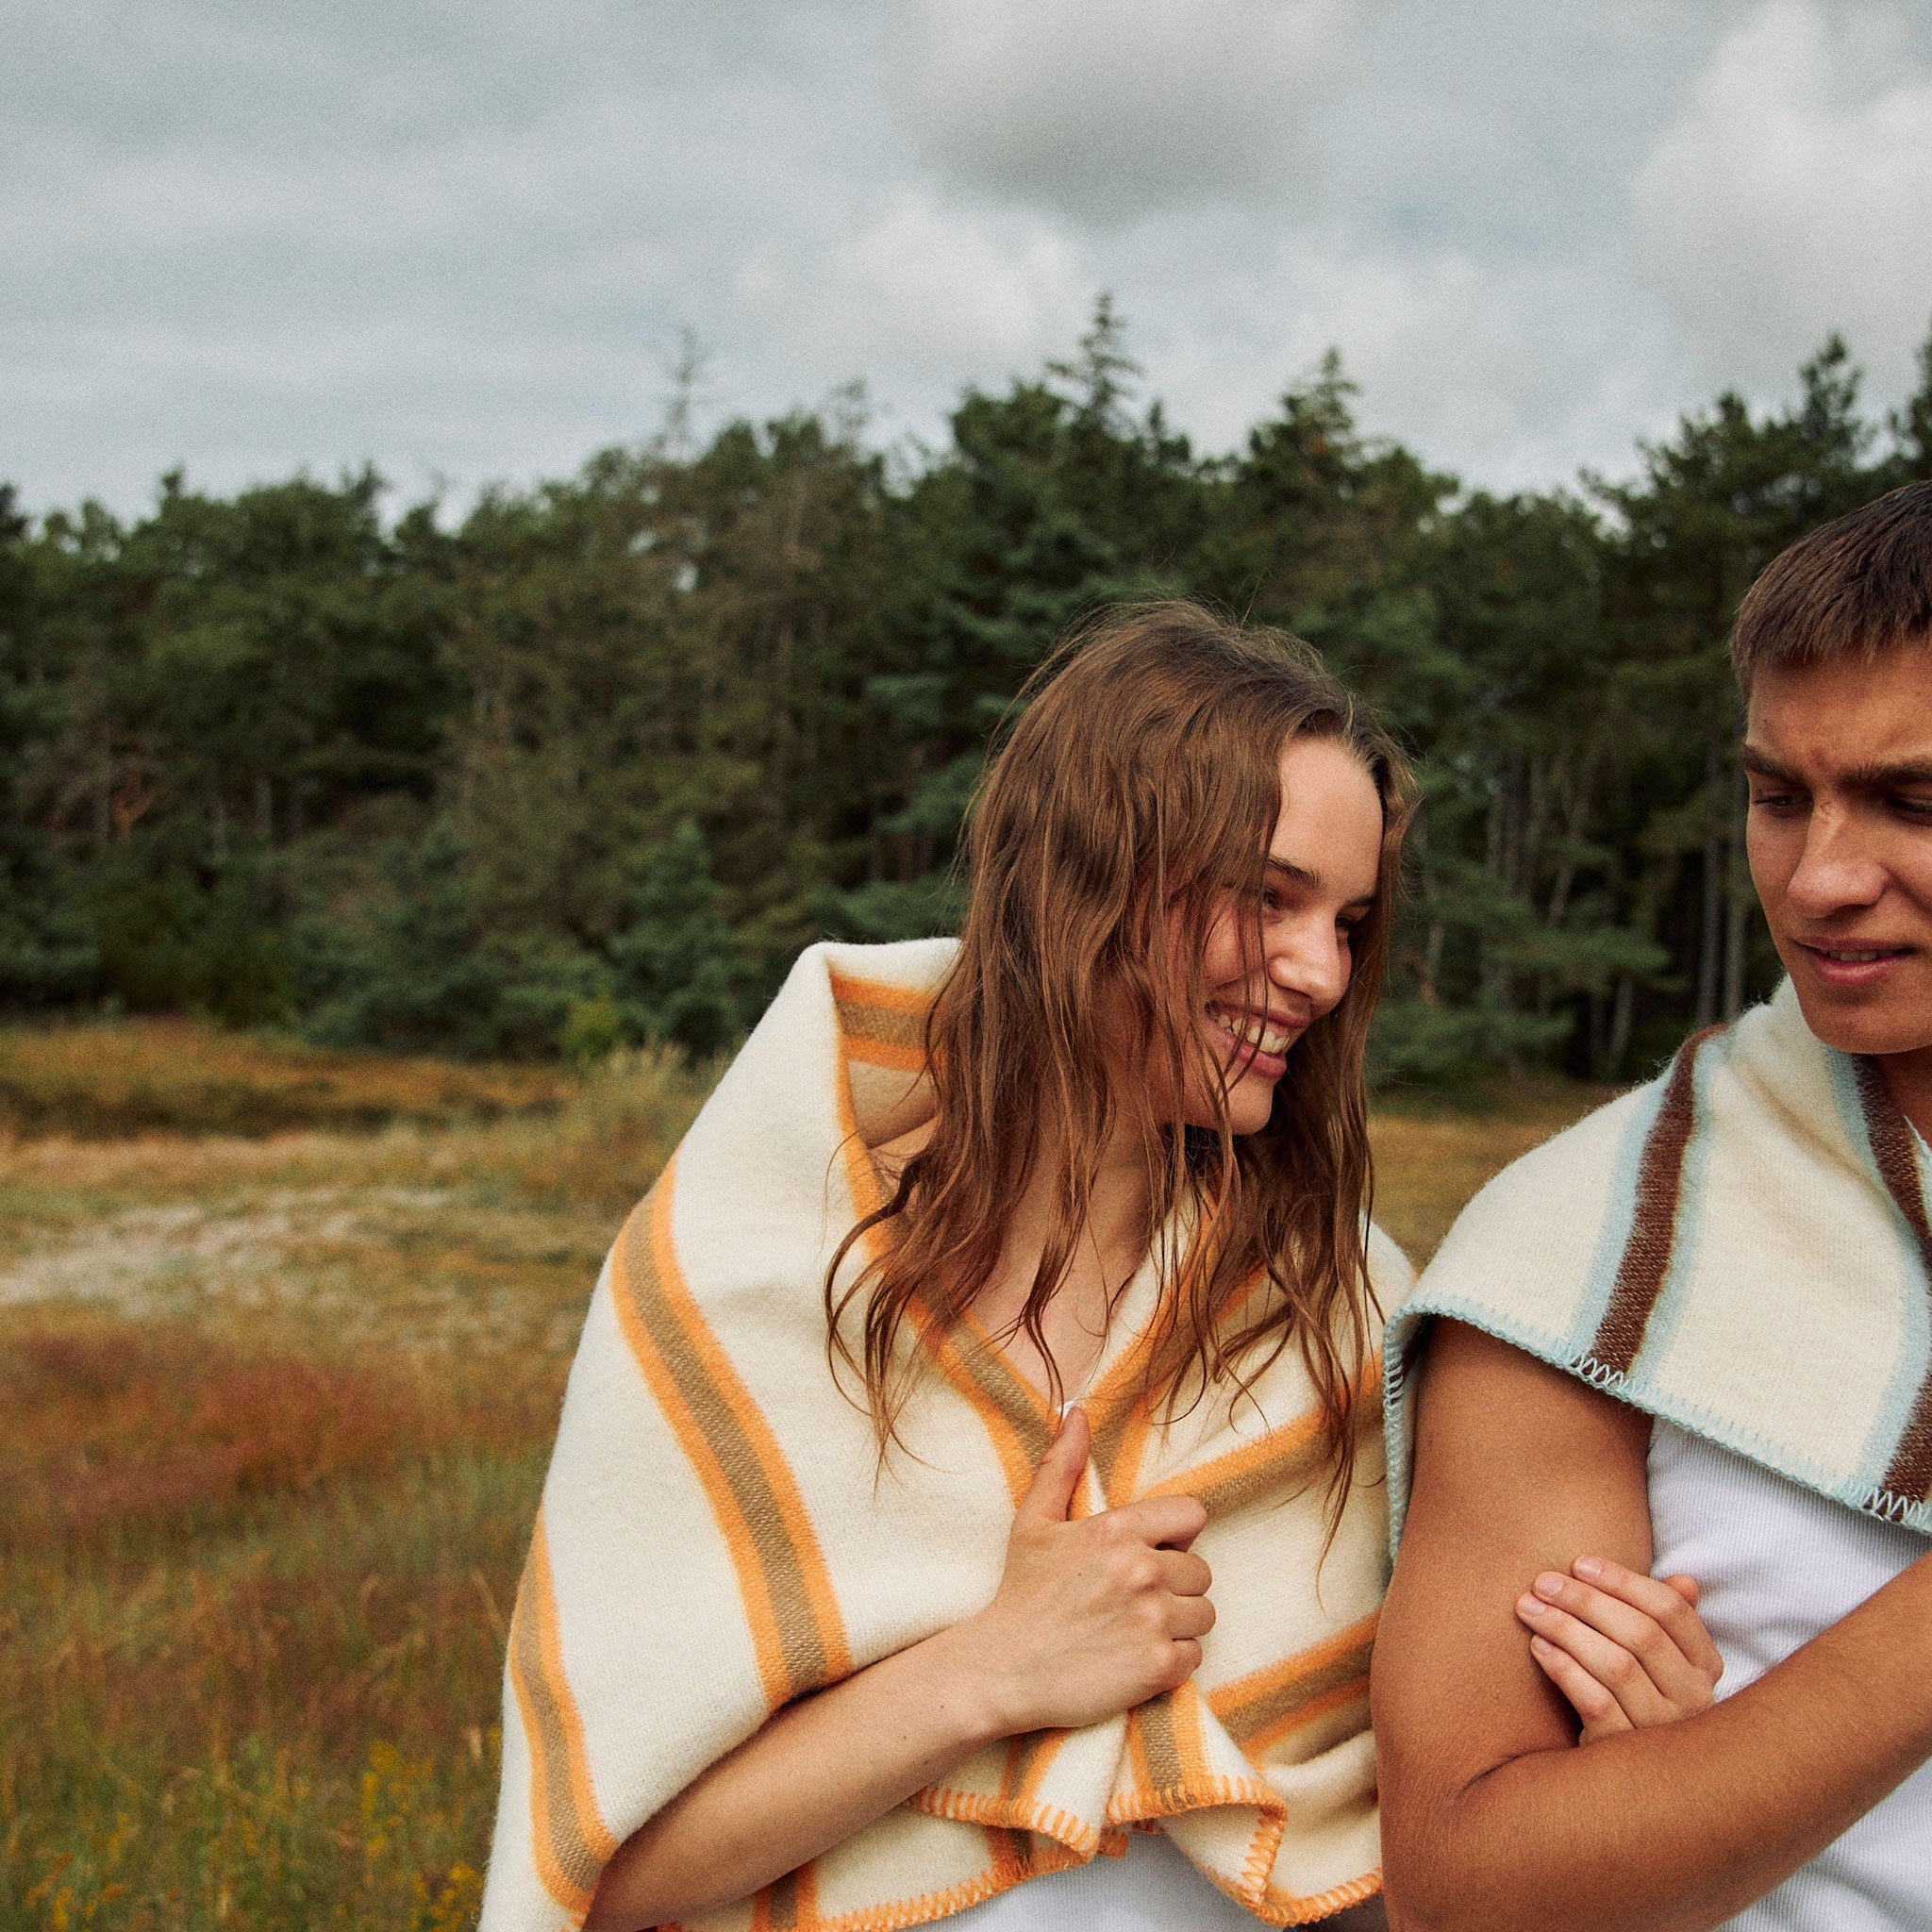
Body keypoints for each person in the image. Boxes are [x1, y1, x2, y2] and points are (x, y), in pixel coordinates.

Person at [477, 602, 1426, 1932]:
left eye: (1349, 920)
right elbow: (605, 1873)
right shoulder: (758, 1269)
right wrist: (986, 1674)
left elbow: (1399, 1817)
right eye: (1269, 897)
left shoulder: (1342, 1305)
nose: (1321, 971)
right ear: (1089, 875)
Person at [1373, 478, 1932, 1931]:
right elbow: (1464, 1887)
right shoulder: (1584, 1253)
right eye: (1774, 795)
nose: (1821, 878)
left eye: (1911, 801)